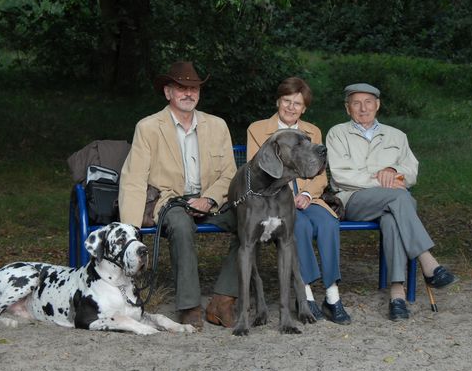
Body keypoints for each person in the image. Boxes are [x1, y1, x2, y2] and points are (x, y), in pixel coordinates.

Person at [118, 61, 239, 329]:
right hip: (171, 201)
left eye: (194, 88)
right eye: (181, 88)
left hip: (211, 201)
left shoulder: (217, 126)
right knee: (181, 225)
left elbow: (230, 174)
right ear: (168, 93)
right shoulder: (149, 127)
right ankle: (189, 306)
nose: (188, 93)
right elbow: (133, 179)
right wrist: (130, 232)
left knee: (250, 221)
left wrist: (209, 200)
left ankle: (223, 300)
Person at [326, 83, 459, 321]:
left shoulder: (397, 136)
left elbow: (411, 171)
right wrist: (380, 180)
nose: (363, 108)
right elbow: (340, 175)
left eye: (368, 102)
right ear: (348, 108)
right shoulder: (337, 133)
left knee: (392, 219)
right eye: (356, 103)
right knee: (401, 197)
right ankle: (428, 262)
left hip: (392, 204)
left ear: (377, 105)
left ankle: (397, 296)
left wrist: (394, 171)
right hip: (352, 199)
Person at [246, 77, 351, 325]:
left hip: (308, 198)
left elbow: (320, 174)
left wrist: (306, 194)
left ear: (304, 108)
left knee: (328, 223)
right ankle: (306, 295)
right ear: (278, 101)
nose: (291, 107)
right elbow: (256, 170)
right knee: (299, 226)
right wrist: (287, 195)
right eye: (286, 101)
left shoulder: (312, 131)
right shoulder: (258, 129)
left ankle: (332, 296)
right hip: (273, 201)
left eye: (297, 103)